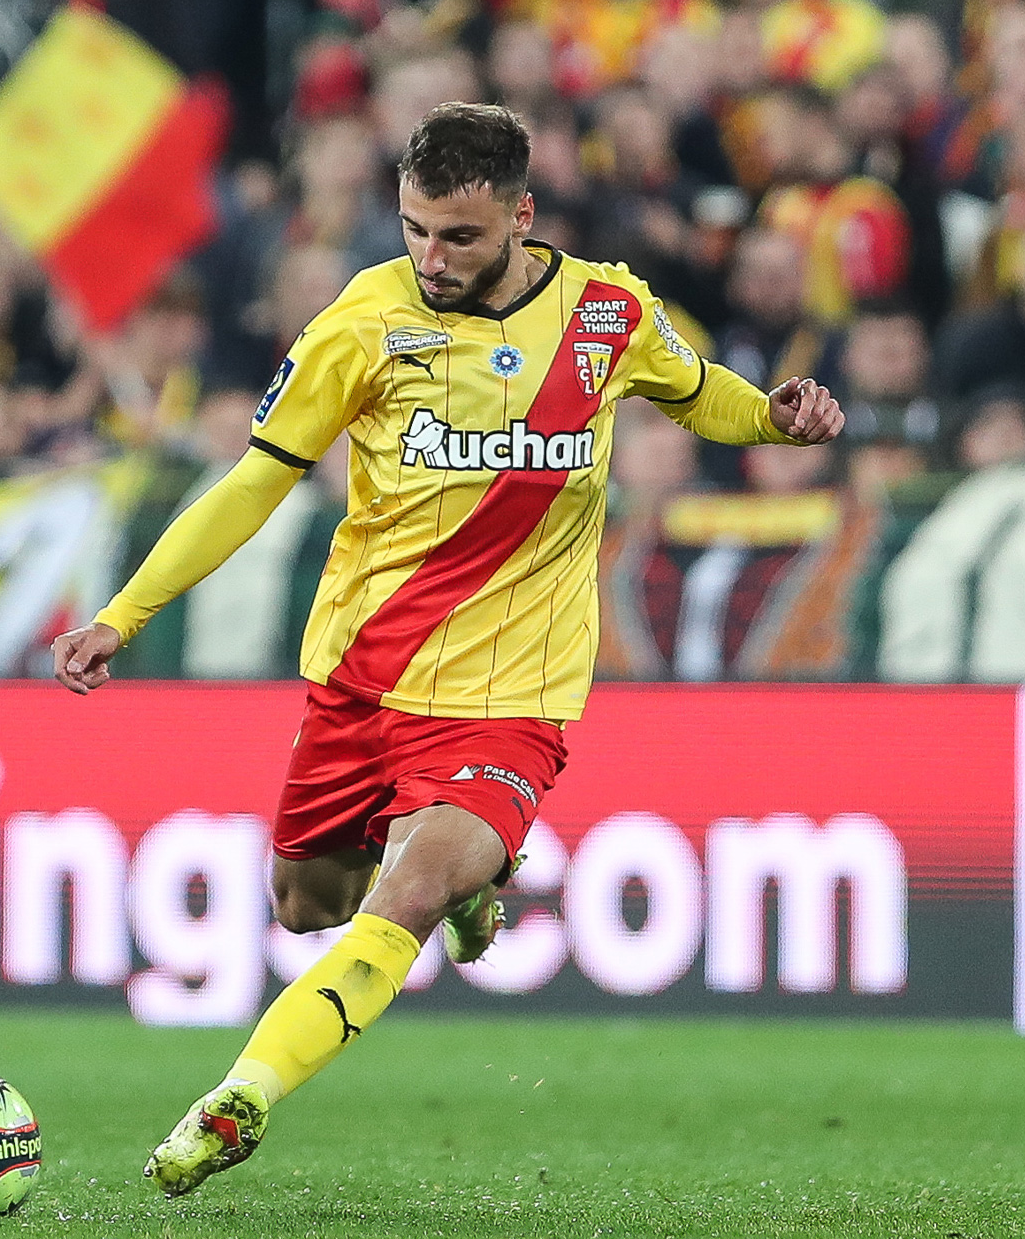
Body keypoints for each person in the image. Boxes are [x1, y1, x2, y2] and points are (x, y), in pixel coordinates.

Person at [49, 102, 843, 1194]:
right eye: (415, 227)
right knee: (306, 906)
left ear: (520, 215)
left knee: (402, 901)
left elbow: (695, 391)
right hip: (365, 679)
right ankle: (473, 883)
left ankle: (240, 1097)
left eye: (457, 236)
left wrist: (773, 417)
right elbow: (254, 481)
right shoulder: (362, 321)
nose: (429, 255)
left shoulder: (604, 314)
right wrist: (121, 614)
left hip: (514, 693)